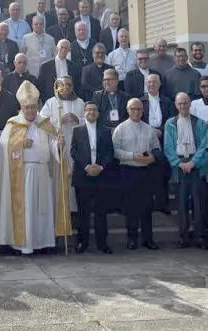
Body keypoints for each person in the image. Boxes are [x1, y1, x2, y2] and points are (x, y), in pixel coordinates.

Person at [0, 81, 69, 255]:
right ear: (21, 108)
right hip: (21, 174)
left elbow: (54, 147)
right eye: (27, 108)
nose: (31, 111)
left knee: (41, 209)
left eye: (33, 108)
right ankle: (21, 244)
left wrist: (59, 145)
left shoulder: (46, 124)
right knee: (24, 210)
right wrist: (19, 143)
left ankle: (42, 243)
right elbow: (3, 148)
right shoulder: (12, 124)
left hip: (41, 172)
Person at [113, 98, 164, 250]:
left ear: (143, 111)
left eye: (139, 109)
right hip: (128, 171)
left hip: (145, 172)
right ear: (128, 110)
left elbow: (157, 149)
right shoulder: (120, 129)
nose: (136, 112)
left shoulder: (148, 129)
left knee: (147, 207)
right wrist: (131, 156)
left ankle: (148, 239)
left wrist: (152, 158)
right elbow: (115, 151)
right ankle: (132, 239)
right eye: (133, 109)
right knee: (131, 208)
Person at [164, 92, 208, 249]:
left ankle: (200, 236)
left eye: (185, 103)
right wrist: (179, 163)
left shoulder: (200, 123)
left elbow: (204, 145)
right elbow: (168, 147)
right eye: (180, 103)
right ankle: (183, 236)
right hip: (179, 166)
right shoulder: (170, 123)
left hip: (196, 165)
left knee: (198, 203)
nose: (183, 106)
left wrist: (194, 162)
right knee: (182, 203)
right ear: (176, 105)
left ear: (190, 104)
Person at [70, 102, 115, 254]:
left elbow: (110, 152)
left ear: (98, 112)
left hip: (101, 175)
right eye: (89, 110)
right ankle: (83, 242)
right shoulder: (77, 130)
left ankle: (103, 243)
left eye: (94, 109)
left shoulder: (105, 131)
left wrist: (100, 167)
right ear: (84, 112)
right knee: (83, 212)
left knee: (101, 212)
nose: (91, 112)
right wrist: (86, 167)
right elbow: (73, 151)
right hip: (83, 176)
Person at [40, 76, 83, 215]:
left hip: (76, 144)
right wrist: (59, 120)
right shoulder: (51, 102)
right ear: (58, 86)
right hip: (58, 145)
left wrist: (79, 120)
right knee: (60, 180)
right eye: (63, 85)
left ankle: (74, 212)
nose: (66, 88)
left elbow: (88, 120)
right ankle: (60, 213)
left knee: (74, 179)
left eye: (69, 85)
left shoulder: (80, 102)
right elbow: (43, 122)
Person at [141, 74, 174, 214]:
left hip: (163, 139)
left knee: (162, 172)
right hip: (144, 140)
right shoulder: (140, 102)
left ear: (160, 84)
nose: (151, 85)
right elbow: (136, 119)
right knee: (146, 172)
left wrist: (161, 131)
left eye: (154, 82)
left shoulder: (167, 102)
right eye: (148, 82)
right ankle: (147, 204)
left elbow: (172, 120)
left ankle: (162, 204)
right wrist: (149, 131)